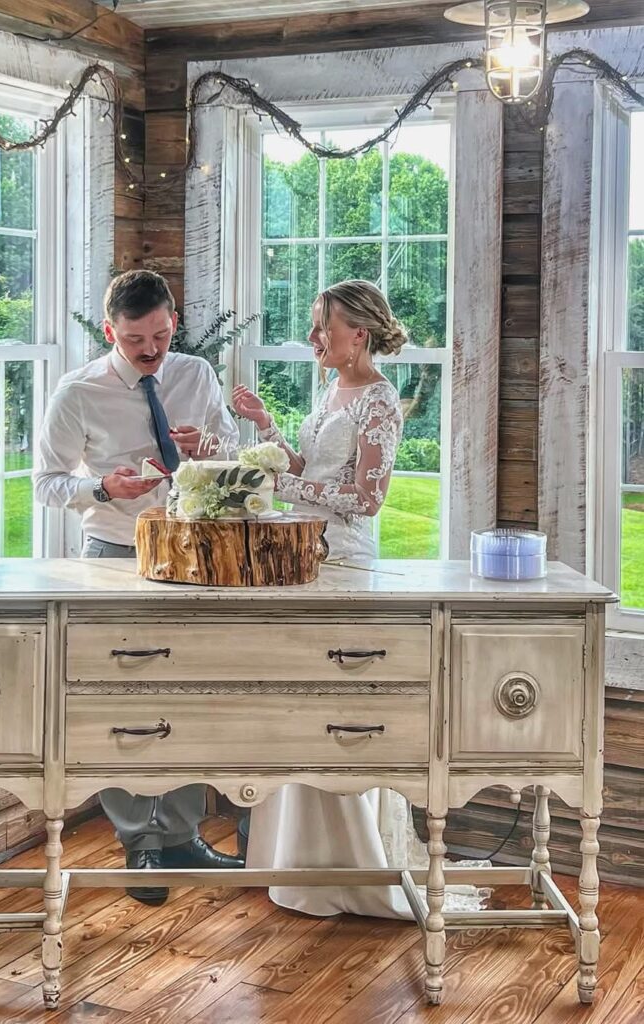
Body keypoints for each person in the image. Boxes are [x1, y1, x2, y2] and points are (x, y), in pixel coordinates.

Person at [233, 279, 483, 918]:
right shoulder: (332, 388)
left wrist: (280, 487)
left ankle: (351, 866)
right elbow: (311, 470)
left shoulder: (380, 401)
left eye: (323, 326)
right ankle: (297, 864)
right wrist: (266, 427)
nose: (313, 336)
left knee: (335, 704)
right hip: (304, 557)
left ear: (359, 335)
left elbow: (367, 500)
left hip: (344, 561)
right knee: (300, 698)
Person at [33, 269, 243, 905]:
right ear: (110, 332)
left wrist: (209, 444)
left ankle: (180, 835)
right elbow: (45, 483)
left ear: (173, 323)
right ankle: (139, 842)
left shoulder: (195, 375)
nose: (150, 350)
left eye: (159, 335)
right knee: (120, 702)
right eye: (134, 340)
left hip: (190, 552)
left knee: (190, 693)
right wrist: (102, 488)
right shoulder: (78, 392)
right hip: (113, 555)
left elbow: (232, 451)